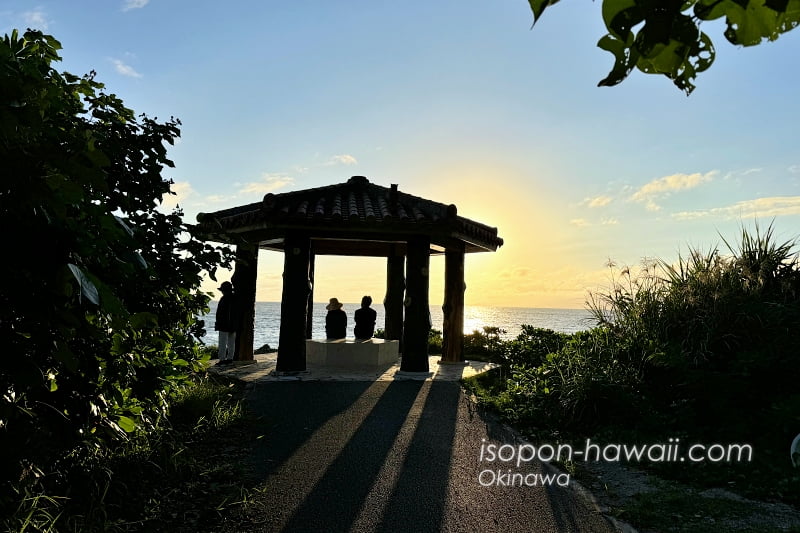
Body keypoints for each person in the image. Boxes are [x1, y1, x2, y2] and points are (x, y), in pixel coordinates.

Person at [215, 281, 239, 365]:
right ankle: (229, 358)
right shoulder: (235, 299)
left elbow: (219, 313)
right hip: (232, 325)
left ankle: (222, 359)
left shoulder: (224, 299)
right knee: (231, 342)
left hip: (224, 325)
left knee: (223, 343)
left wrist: (218, 324)